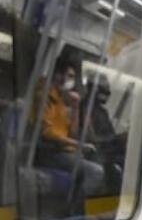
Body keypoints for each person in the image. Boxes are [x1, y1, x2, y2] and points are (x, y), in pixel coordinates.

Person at [35, 57, 107, 205]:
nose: (68, 80)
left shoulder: (61, 101)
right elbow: (46, 132)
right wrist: (78, 144)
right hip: (50, 152)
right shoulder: (44, 97)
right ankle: (72, 208)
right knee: (95, 172)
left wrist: (75, 107)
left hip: (63, 150)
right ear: (56, 75)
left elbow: (72, 132)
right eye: (67, 75)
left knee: (102, 162)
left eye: (72, 77)